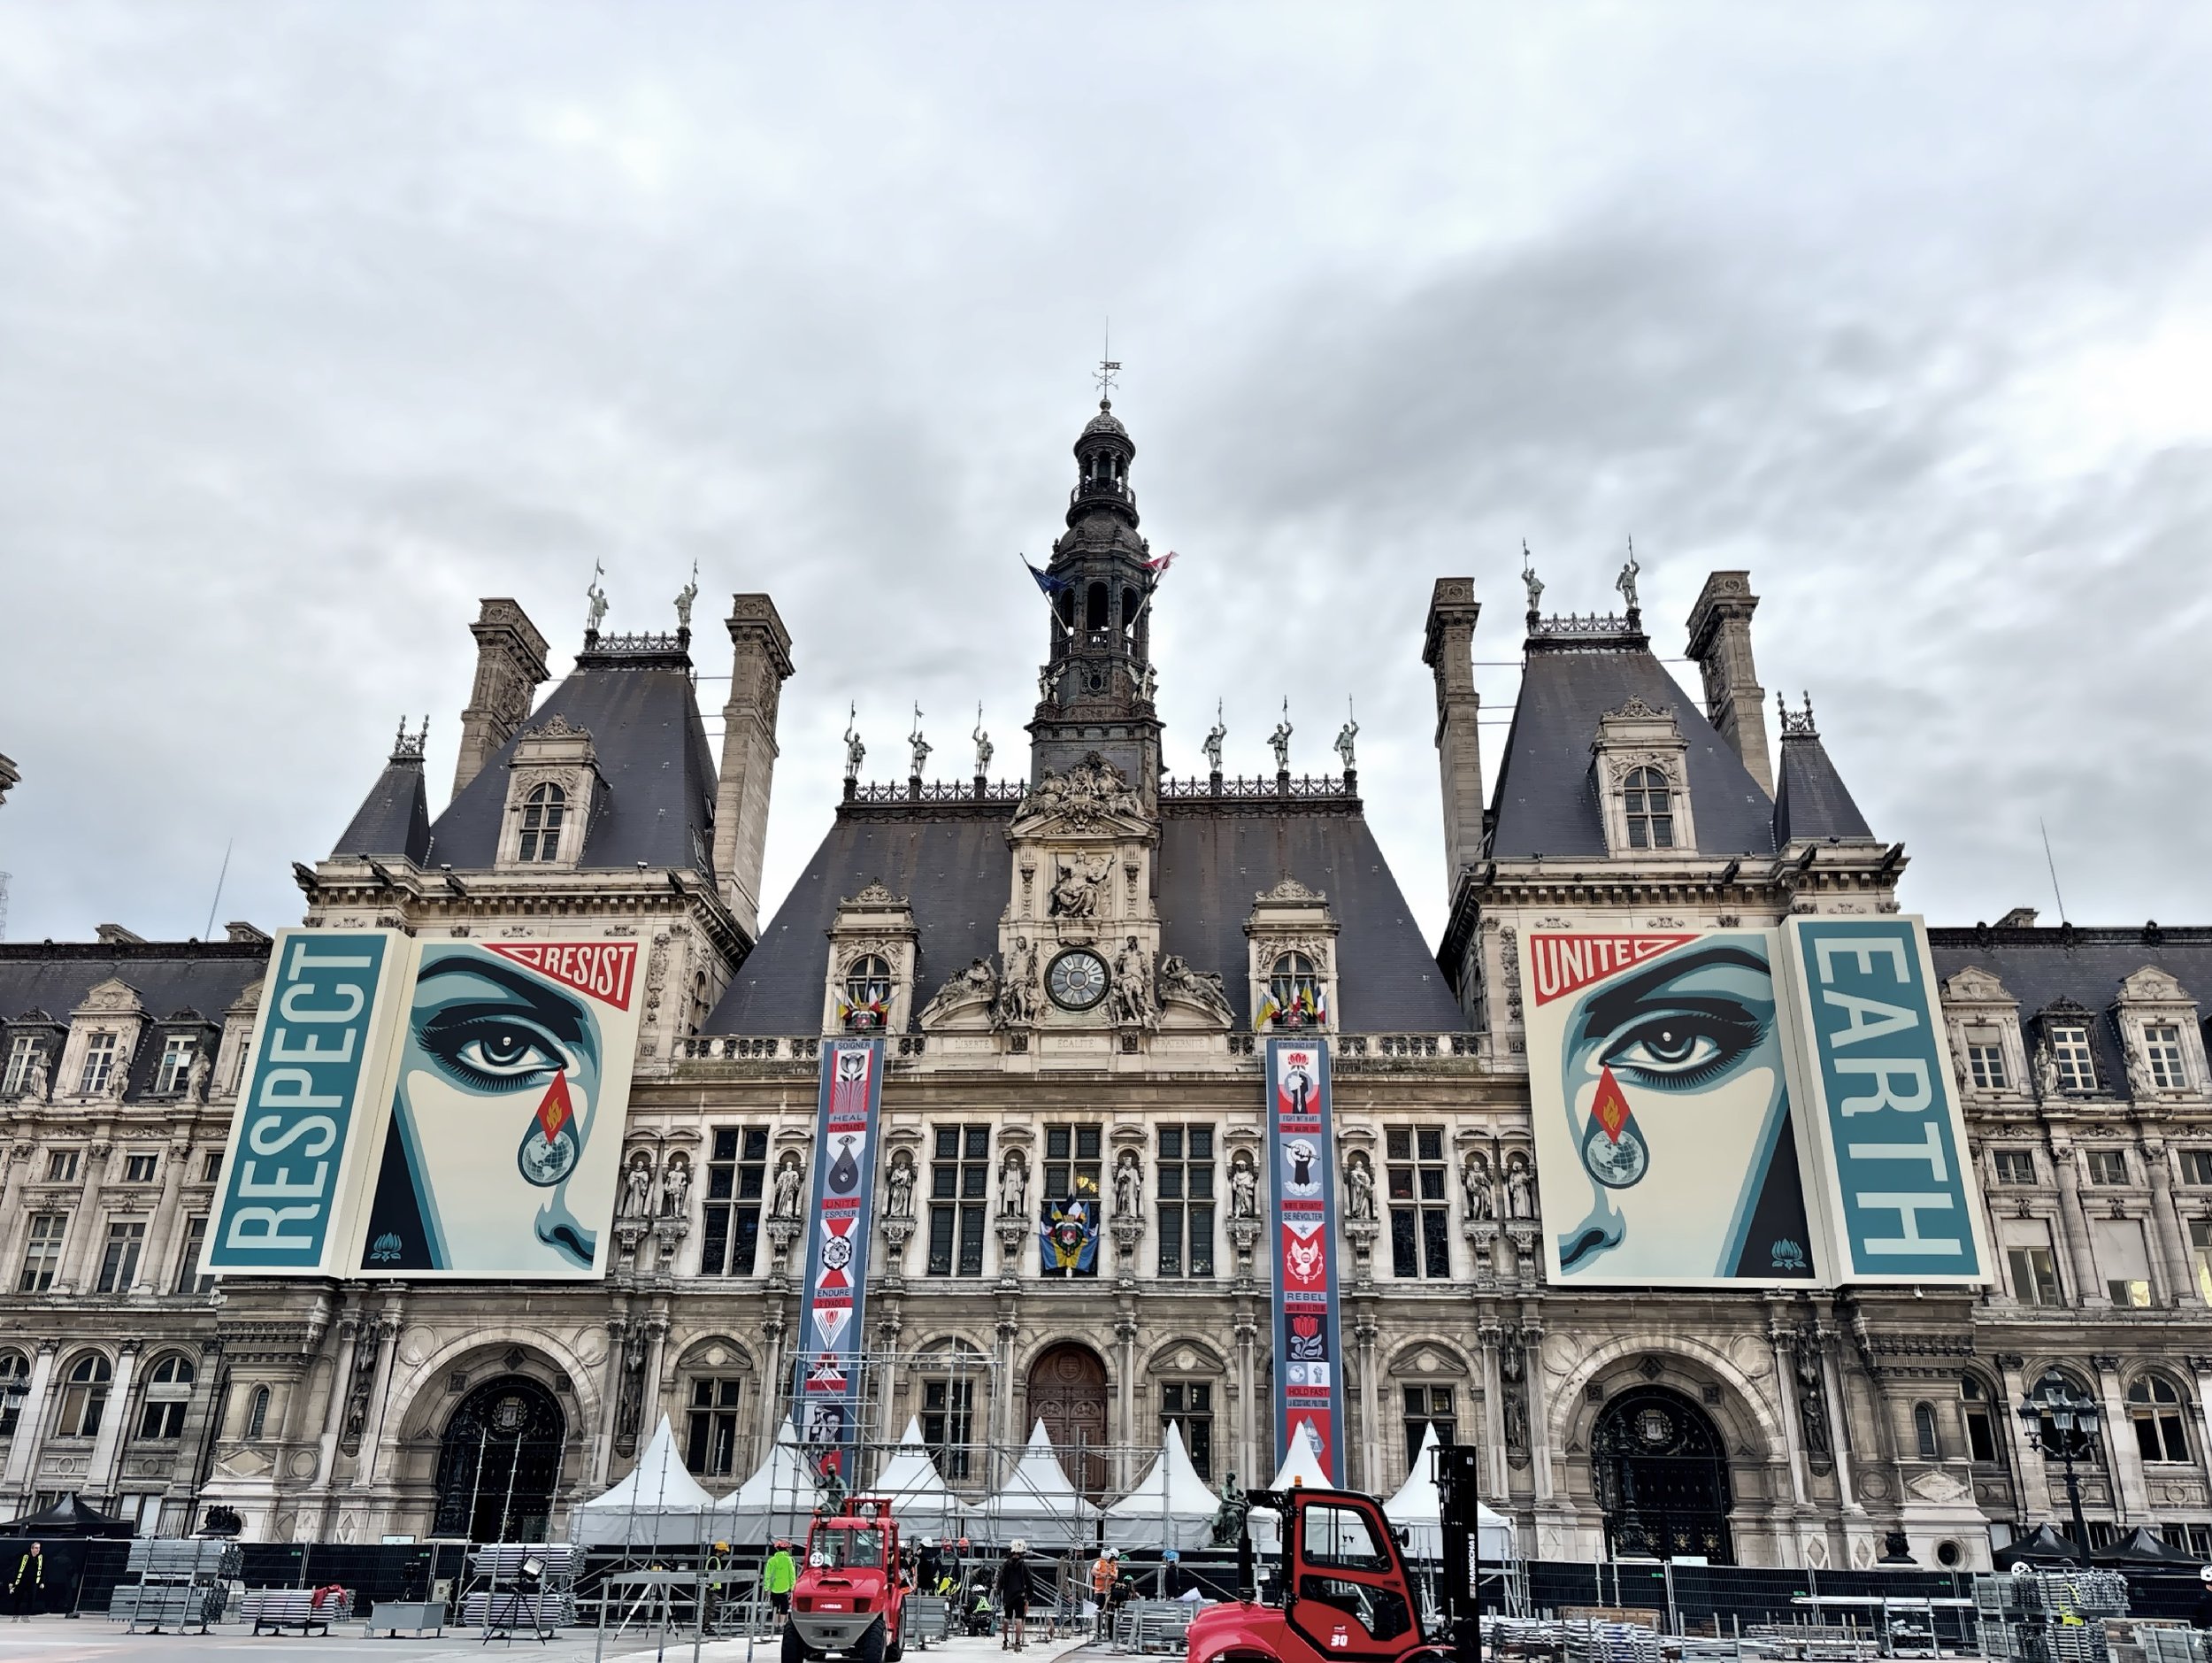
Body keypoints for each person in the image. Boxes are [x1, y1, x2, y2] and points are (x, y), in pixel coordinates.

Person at [996, 1539, 1034, 1651]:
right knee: (1019, 1620)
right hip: (1020, 1596)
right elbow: (1029, 1582)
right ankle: (1017, 1643)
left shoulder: (1005, 1565)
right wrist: (1029, 1597)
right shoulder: (1023, 1566)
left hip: (1008, 1596)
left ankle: (1005, 1641)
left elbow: (1000, 1581)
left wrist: (999, 1592)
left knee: (1007, 1619)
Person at [6, 1542, 42, 1620]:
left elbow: (42, 1570)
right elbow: (17, 1569)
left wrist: (42, 1581)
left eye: (39, 1548)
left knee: (31, 1599)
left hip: (33, 1582)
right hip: (22, 1581)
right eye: (36, 1548)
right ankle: (15, 1615)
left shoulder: (40, 1558)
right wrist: (12, 1581)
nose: (38, 1550)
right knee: (19, 1598)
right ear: (32, 1549)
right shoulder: (25, 1557)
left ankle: (26, 1616)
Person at [763, 1538, 797, 1617]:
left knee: (775, 1608)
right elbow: (792, 1575)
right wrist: (793, 1589)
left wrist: (766, 1588)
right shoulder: (789, 1560)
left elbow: (767, 1576)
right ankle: (781, 1626)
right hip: (786, 1589)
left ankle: (775, 1626)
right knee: (784, 1609)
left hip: (774, 1589)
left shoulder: (771, 1560)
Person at [1090, 1548, 1118, 1636]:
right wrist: (1101, 1574)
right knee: (1099, 1612)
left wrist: (1111, 1574)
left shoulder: (1114, 1565)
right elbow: (1093, 1571)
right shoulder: (1098, 1563)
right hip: (1099, 1592)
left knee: (1111, 1613)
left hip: (1110, 1592)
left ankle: (1110, 1634)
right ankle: (1098, 1633)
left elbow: (1116, 1576)